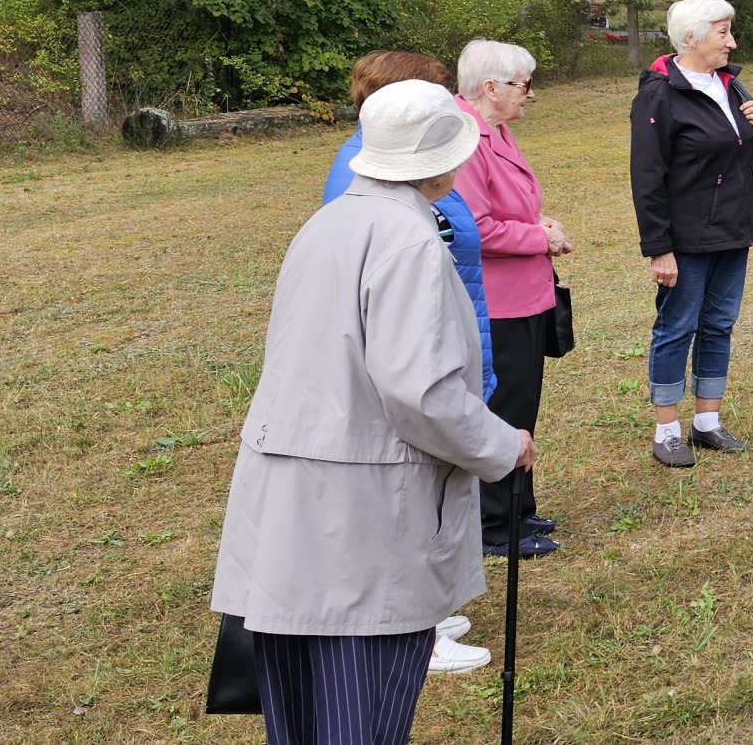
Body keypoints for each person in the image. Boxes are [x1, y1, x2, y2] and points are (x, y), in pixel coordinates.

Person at [212, 79, 540, 744]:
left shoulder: (330, 220)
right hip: (358, 519)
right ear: (445, 161)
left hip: (295, 512)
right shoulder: (409, 240)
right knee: (356, 718)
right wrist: (503, 446)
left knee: (303, 719)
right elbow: (421, 392)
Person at [322, 50, 499, 674]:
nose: (453, 108)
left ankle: (428, 608)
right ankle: (412, 633)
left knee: (432, 492)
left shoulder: (405, 174)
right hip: (419, 350)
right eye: (439, 97)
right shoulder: (363, 176)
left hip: (452, 326)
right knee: (409, 493)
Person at [632, 0, 753, 468]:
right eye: (723, 33)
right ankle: (667, 430)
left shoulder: (731, 86)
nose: (732, 42)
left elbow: (734, 154)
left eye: (730, 31)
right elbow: (647, 177)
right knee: (677, 327)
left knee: (719, 324)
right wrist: (659, 248)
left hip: (733, 229)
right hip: (687, 237)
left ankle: (707, 423)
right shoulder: (659, 94)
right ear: (692, 37)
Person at [454, 39, 573, 558]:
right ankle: (494, 525)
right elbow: (472, 228)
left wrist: (538, 224)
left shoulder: (496, 129)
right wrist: (537, 237)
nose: (529, 95)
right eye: (523, 86)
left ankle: (519, 507)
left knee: (523, 404)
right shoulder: (467, 139)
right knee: (502, 409)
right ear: (490, 88)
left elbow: (513, 207)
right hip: (495, 301)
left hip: (526, 294)